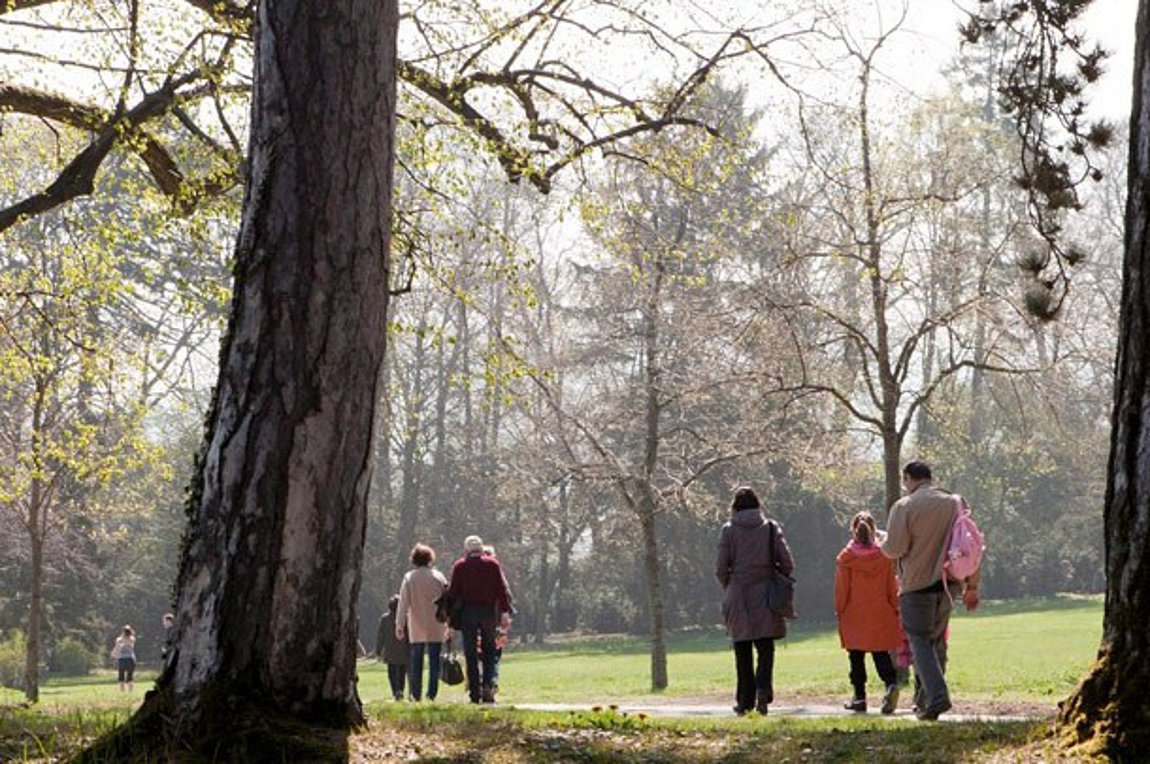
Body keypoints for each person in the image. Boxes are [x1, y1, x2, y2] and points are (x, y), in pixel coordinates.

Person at [880, 460, 979, 721]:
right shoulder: (954, 502)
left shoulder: (904, 506)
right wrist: (972, 584)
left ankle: (937, 697)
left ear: (909, 479)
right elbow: (970, 542)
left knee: (919, 642)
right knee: (936, 642)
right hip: (949, 583)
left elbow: (896, 548)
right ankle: (926, 703)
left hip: (916, 583)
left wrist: (882, 543)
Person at [714, 486, 795, 716]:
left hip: (738, 593)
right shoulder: (770, 528)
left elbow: (720, 567)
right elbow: (787, 562)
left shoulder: (728, 531)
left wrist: (729, 585)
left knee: (742, 649)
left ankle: (745, 701)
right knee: (765, 647)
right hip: (766, 592)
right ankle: (763, 689)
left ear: (734, 507)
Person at [834, 511, 901, 714]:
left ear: (853, 530)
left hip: (854, 613)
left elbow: (842, 588)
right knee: (881, 654)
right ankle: (891, 684)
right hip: (880, 612)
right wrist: (895, 607)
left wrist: (840, 609)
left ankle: (860, 697)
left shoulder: (846, 558)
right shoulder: (884, 558)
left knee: (856, 657)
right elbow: (892, 586)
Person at [446, 535, 513, 704]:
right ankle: (488, 685)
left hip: (469, 612)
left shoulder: (460, 566)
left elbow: (453, 593)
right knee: (490, 650)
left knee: (471, 653)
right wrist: (505, 612)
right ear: (481, 549)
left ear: (467, 549)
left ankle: (474, 692)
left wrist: (450, 620)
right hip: (488, 612)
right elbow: (501, 589)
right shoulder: (492, 564)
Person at [396, 543, 450, 701]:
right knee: (434, 660)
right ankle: (431, 693)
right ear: (430, 558)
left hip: (416, 623)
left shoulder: (409, 577)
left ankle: (415, 693)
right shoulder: (438, 576)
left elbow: (403, 602)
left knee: (416, 661)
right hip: (436, 623)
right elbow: (447, 601)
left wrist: (399, 624)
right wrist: (450, 623)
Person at [376, 594, 409, 701]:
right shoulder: (406, 618)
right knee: (402, 673)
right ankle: (401, 690)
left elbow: (380, 635)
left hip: (390, 651)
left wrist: (378, 650)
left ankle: (395, 691)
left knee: (392, 673)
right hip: (404, 650)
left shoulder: (385, 618)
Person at [110, 625, 136, 692]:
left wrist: (114, 654)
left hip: (122, 659)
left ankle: (123, 691)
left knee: (121, 676)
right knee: (129, 676)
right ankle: (129, 691)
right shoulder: (132, 638)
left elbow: (117, 648)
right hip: (130, 659)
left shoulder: (120, 639)